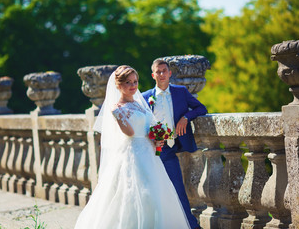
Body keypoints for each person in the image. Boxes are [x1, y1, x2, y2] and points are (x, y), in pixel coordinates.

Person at [74, 65, 191, 229]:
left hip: (149, 154)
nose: (133, 86)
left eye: (135, 82)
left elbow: (151, 125)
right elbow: (129, 132)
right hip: (132, 154)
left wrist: (157, 138)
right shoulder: (117, 108)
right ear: (118, 85)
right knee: (132, 193)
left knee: (155, 193)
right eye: (128, 82)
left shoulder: (140, 104)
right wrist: (119, 114)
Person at [142, 59, 207, 229]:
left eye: (165, 71)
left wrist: (186, 118)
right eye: (158, 71)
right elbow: (141, 125)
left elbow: (201, 109)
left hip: (171, 149)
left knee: (178, 190)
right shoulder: (145, 97)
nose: (162, 74)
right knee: (154, 193)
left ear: (170, 73)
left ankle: (192, 226)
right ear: (153, 75)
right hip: (153, 151)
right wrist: (152, 136)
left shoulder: (180, 92)